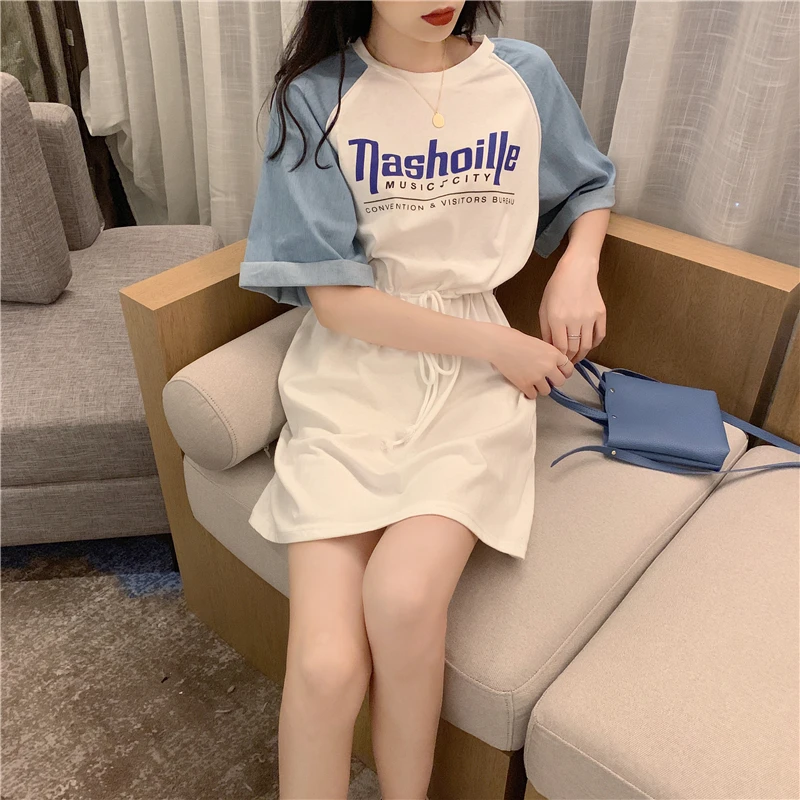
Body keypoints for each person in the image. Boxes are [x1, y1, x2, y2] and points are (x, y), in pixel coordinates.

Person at [239, 1, 616, 797]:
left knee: (404, 598)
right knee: (326, 666)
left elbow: (588, 185)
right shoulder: (315, 97)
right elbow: (336, 302)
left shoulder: (523, 76)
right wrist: (501, 345)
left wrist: (578, 266)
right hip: (353, 376)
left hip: (472, 393)